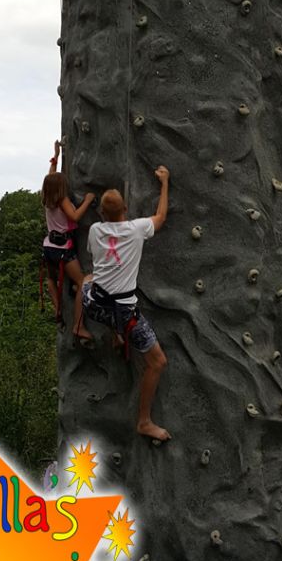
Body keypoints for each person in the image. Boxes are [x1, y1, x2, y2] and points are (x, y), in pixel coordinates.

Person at [81, 166, 171, 443]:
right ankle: (144, 421)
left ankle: (113, 335)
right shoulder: (137, 229)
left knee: (88, 277)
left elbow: (97, 250)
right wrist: (165, 184)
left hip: (93, 305)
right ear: (126, 209)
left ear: (102, 214)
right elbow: (161, 216)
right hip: (124, 312)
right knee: (157, 361)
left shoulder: (95, 231)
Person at [42, 141, 94, 339]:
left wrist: (56, 154)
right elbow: (74, 217)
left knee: (50, 279)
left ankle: (57, 311)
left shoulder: (47, 196)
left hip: (49, 247)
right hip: (64, 248)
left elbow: (50, 175)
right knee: (82, 282)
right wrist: (88, 201)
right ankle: (78, 326)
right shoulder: (62, 200)